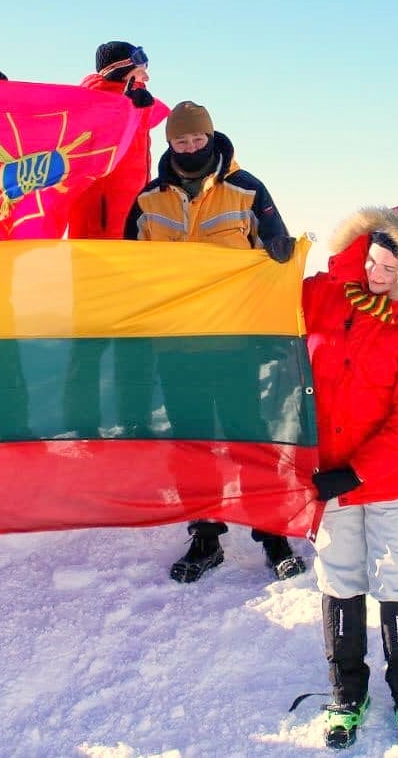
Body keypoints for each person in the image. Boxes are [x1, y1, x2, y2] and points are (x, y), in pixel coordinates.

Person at [125, 100, 304, 583]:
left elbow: (276, 251)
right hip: (178, 346)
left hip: (236, 344)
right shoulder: (147, 200)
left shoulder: (246, 190)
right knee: (194, 445)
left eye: (197, 139)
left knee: (250, 438)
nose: (190, 147)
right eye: (181, 141)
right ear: (170, 144)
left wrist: (280, 250)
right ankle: (205, 537)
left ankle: (273, 534)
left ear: (210, 137)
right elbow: (125, 271)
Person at [302, 205, 398, 749]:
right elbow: (265, 308)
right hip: (328, 476)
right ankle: (347, 693)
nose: (375, 274)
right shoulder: (323, 296)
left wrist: (355, 472)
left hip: (392, 485)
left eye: (391, 267)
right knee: (338, 582)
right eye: (371, 260)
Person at [67, 41, 167, 239]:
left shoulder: (137, 98)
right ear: (121, 72)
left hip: (133, 207)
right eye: (140, 71)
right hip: (101, 215)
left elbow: (165, 115)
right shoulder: (90, 102)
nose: (146, 77)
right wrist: (121, 107)